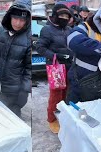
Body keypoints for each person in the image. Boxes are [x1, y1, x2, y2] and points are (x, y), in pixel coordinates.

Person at [36, 4, 73, 133]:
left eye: (67, 16)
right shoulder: (47, 29)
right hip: (55, 67)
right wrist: (57, 56)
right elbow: (40, 48)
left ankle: (62, 116)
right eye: (61, 15)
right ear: (55, 15)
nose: (64, 18)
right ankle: (52, 119)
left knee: (67, 93)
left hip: (69, 65)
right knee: (56, 94)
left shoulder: (69, 29)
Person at [0, 0, 31, 118]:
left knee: (11, 121)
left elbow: (29, 69)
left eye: (22, 20)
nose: (18, 23)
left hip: (15, 92)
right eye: (15, 18)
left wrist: (24, 91)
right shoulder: (0, 32)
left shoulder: (28, 38)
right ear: (10, 17)